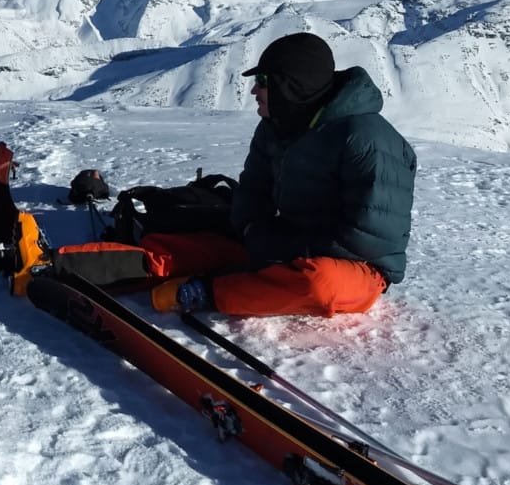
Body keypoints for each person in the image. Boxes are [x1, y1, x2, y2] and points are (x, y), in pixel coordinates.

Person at [151, 32, 417, 317]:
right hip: (292, 243)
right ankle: (136, 263)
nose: (254, 91)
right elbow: (254, 190)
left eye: (263, 82)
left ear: (293, 86)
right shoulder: (275, 127)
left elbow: (368, 239)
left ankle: (210, 293)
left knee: (317, 284)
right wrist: (252, 230)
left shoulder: (366, 140)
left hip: (357, 267)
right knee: (206, 240)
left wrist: (282, 245)